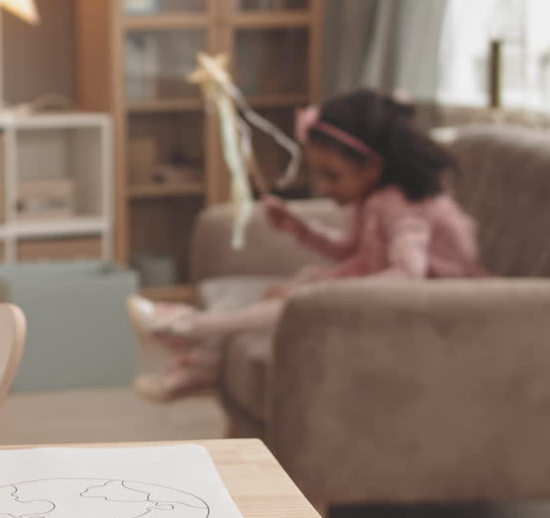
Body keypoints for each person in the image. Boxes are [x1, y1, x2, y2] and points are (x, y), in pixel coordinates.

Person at [128, 89, 484, 401]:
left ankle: (186, 327)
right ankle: (203, 363)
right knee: (299, 284)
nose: (325, 188)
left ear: (372, 167)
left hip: (437, 309)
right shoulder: (374, 199)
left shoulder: (403, 204)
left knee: (299, 301)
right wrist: (302, 229)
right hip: (398, 296)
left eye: (333, 175)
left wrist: (330, 292)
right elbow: (354, 252)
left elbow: (409, 275)